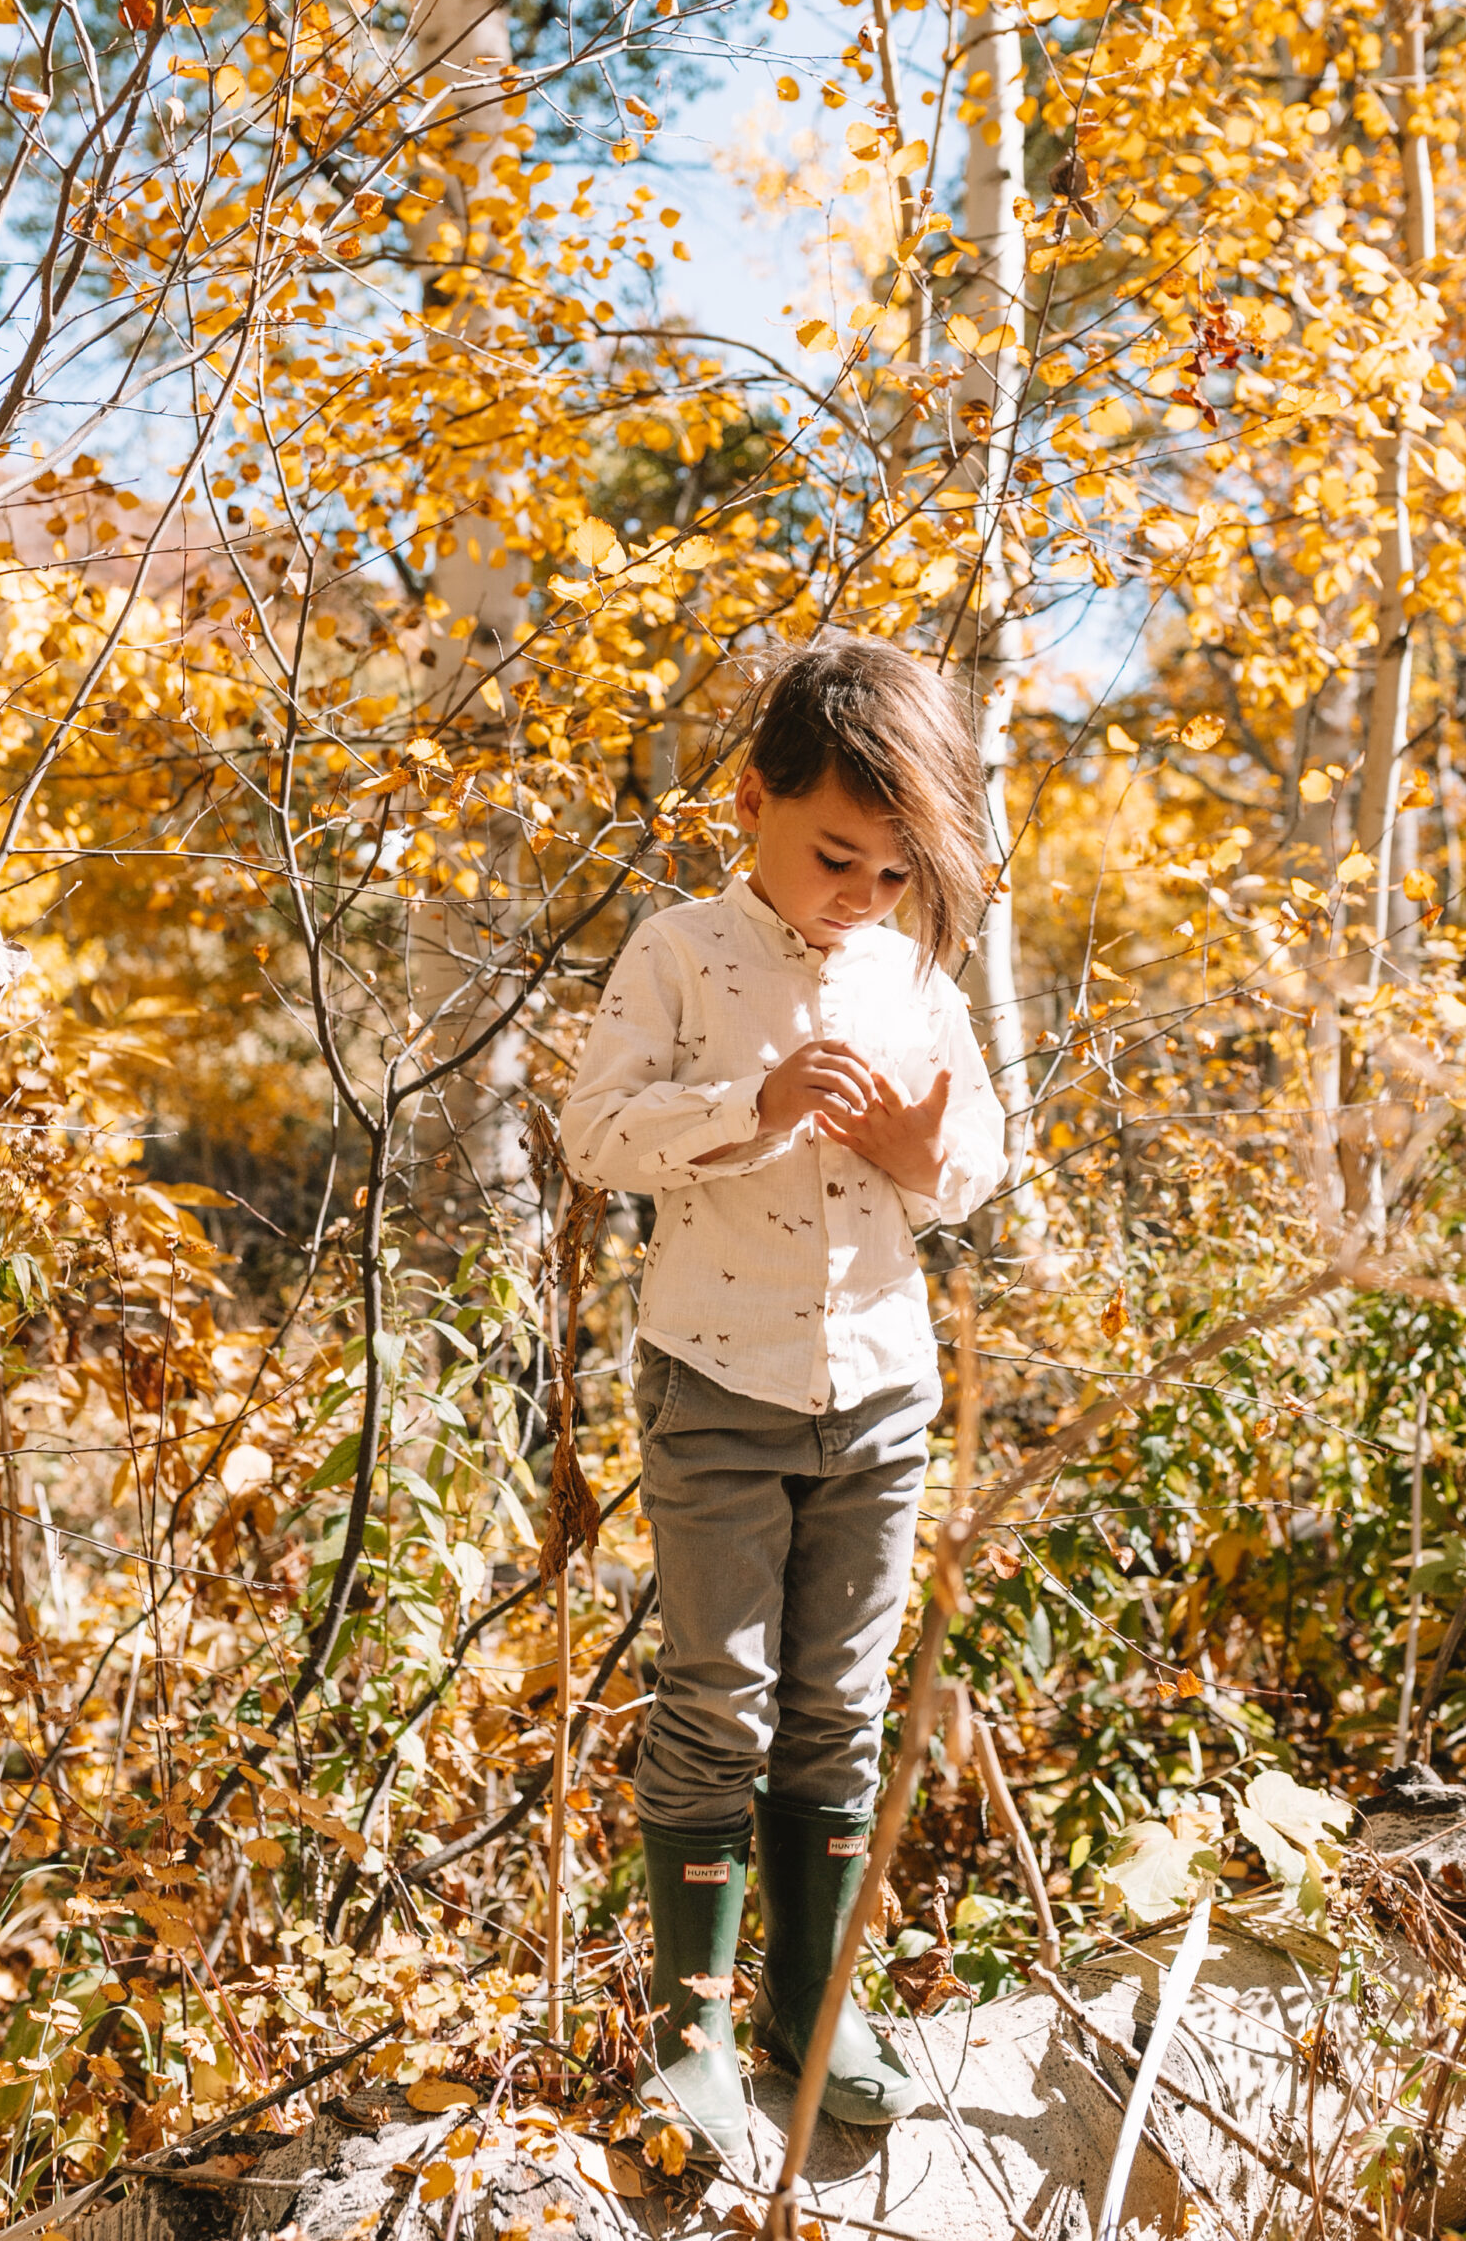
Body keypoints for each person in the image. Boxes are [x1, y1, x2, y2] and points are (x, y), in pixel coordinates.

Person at [559, 636, 1006, 2160]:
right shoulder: (681, 951)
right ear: (750, 797)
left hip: (881, 1392)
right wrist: (746, 1111)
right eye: (836, 857)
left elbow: (974, 1166)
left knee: (842, 1707)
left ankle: (811, 2008)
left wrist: (916, 1156)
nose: (862, 897)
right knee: (722, 1701)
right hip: (720, 1379)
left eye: (894, 874)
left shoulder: (915, 975)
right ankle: (691, 2028)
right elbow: (594, 1134)